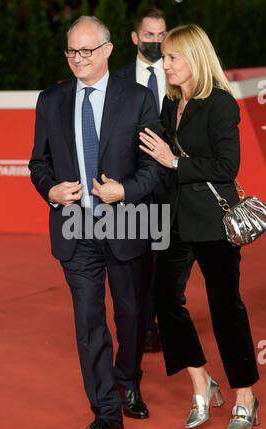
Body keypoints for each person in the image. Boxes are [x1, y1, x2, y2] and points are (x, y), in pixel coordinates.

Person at [29, 16, 159, 429]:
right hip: (75, 226)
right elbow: (38, 162)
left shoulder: (138, 99)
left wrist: (125, 191)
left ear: (107, 51)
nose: (78, 59)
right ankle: (106, 413)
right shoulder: (51, 100)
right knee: (89, 322)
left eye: (86, 50)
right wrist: (50, 188)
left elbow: (154, 167)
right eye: (71, 51)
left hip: (126, 221)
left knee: (131, 315)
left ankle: (129, 379)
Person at [139, 24, 260, 429]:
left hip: (212, 220)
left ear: (194, 57)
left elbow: (228, 168)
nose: (165, 64)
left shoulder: (221, 103)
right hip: (172, 220)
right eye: (164, 57)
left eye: (173, 57)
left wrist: (174, 162)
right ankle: (201, 381)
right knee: (164, 301)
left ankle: (244, 393)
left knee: (225, 306)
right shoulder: (170, 103)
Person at [116, 7, 167, 352]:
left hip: (173, 183)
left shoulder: (180, 74)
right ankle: (144, 327)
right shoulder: (118, 81)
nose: (155, 42)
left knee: (168, 259)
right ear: (135, 38)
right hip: (133, 185)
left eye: (162, 36)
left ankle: (164, 320)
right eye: (149, 36)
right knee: (137, 260)